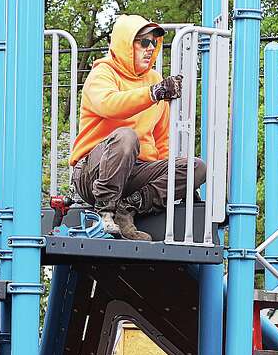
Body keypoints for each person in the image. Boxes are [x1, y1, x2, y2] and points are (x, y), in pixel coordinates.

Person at [70, 15, 207, 241]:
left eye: (154, 43)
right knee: (126, 137)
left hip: (135, 172)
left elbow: (161, 140)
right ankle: (105, 212)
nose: (150, 48)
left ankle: (127, 209)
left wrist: (180, 181)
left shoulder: (154, 79)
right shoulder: (103, 73)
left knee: (196, 167)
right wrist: (152, 94)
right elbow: (109, 105)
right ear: (125, 44)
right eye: (143, 42)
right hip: (94, 173)